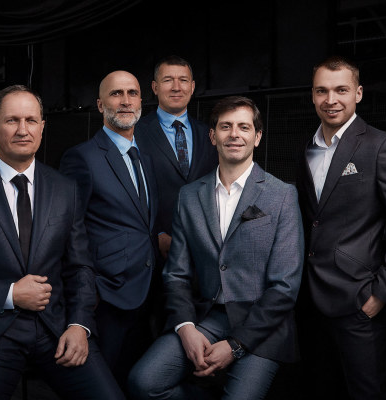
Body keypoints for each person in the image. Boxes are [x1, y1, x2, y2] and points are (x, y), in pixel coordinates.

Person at [0, 85, 123, 400]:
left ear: (42, 127)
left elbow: (80, 268)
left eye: (31, 120)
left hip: (56, 328)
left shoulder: (66, 189)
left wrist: (79, 325)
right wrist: (10, 294)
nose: (23, 130)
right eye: (12, 120)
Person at [129, 96, 304, 399]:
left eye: (244, 127)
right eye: (226, 126)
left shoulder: (282, 195)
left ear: (257, 137)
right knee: (143, 383)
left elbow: (285, 287)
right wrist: (185, 328)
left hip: (261, 326)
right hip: (206, 317)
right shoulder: (189, 196)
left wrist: (235, 345)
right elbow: (177, 274)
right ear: (212, 136)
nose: (234, 134)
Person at [296, 55, 386, 400]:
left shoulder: (381, 145)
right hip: (309, 299)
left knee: (366, 393)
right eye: (322, 91)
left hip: (358, 299)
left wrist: (381, 293)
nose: (330, 99)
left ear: (358, 93)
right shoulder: (306, 148)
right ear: (312, 95)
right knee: (319, 388)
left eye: (341, 90)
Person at [59, 70, 158, 389]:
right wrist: (89, 293)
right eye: (116, 94)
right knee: (104, 387)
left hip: (146, 293)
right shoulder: (82, 158)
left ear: (141, 101)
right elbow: (69, 233)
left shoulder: (145, 157)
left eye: (133, 93)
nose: (126, 100)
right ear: (101, 105)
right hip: (106, 297)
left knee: (134, 383)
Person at [135, 55, 217, 260]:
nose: (176, 87)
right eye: (168, 80)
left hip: (204, 248)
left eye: (183, 80)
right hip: (155, 249)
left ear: (192, 86)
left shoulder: (209, 135)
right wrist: (156, 233)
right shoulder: (135, 133)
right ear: (155, 87)